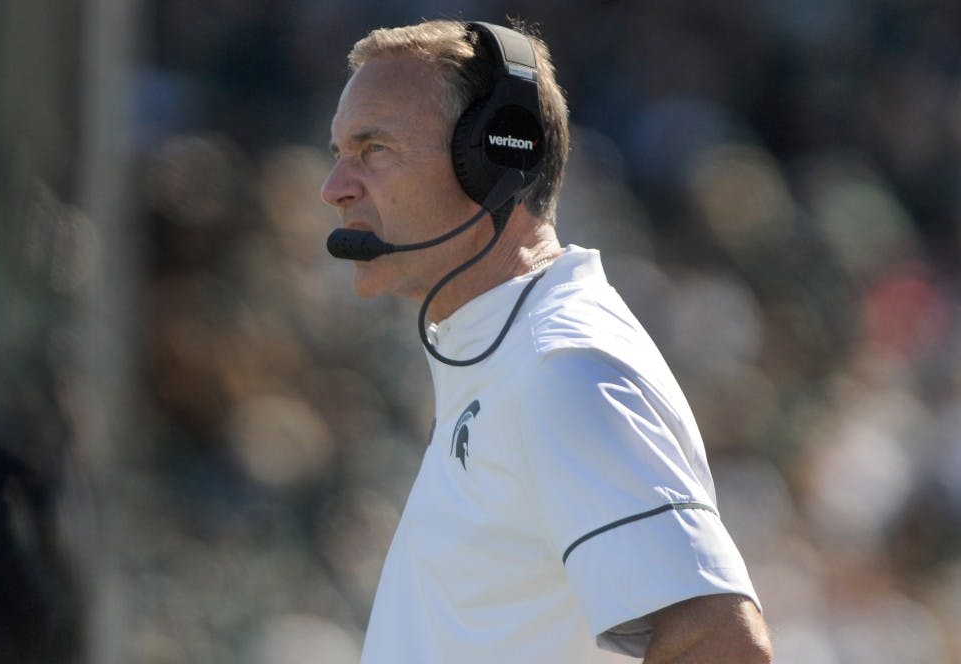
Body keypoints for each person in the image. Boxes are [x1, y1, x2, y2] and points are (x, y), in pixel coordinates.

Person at [321, 18, 772, 663]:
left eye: (375, 150)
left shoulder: (561, 367)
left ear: (495, 157)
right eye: (338, 153)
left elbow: (722, 644)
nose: (334, 189)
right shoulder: (509, 353)